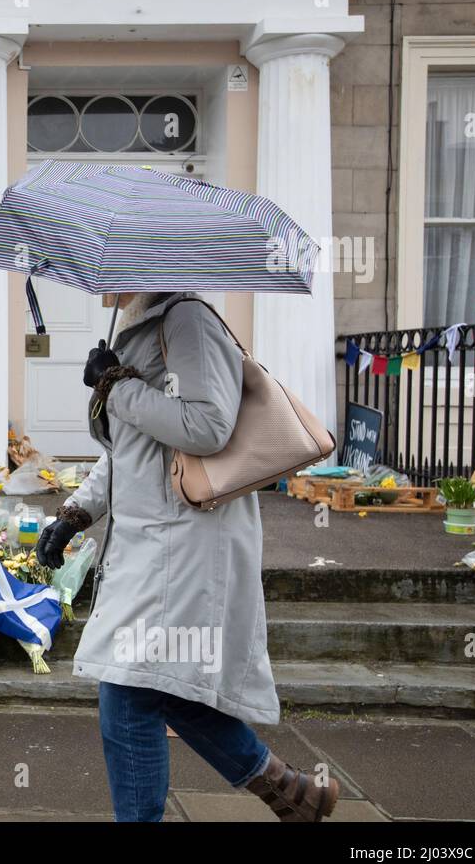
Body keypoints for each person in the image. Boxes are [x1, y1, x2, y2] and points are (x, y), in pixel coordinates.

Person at [35, 291, 339, 822]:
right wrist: (76, 512)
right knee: (165, 688)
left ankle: (281, 792)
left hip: (185, 544)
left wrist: (117, 386)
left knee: (128, 695)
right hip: (152, 545)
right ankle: (291, 791)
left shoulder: (188, 321)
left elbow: (206, 427)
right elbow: (133, 451)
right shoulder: (140, 326)